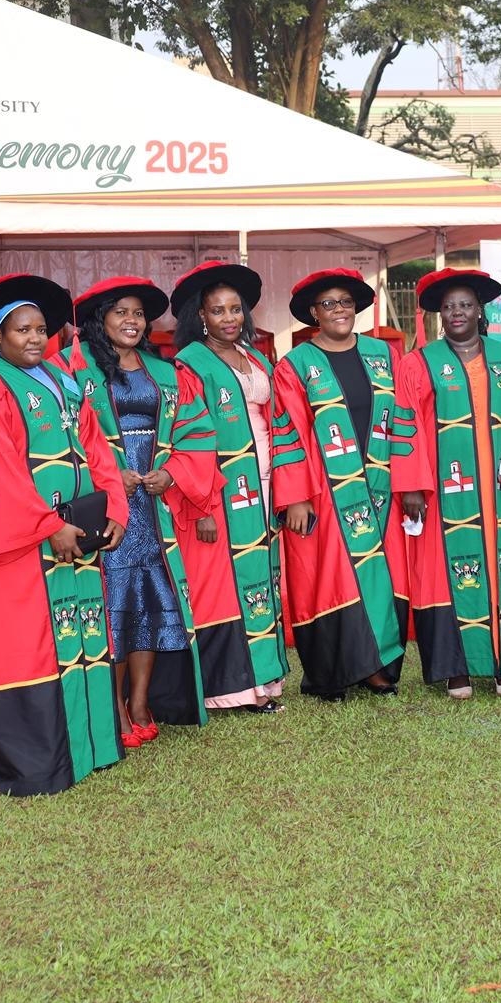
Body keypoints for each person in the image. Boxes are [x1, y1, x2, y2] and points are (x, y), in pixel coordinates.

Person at [0, 274, 128, 795]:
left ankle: (91, 748)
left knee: (79, 630)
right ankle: (37, 766)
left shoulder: (63, 380)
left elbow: (99, 449)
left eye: (42, 329)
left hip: (75, 533)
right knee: (27, 643)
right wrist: (47, 525)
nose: (36, 339)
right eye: (22, 330)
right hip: (18, 547)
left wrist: (115, 510)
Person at [393, 268, 501, 697]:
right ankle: (459, 668)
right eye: (448, 306)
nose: (457, 312)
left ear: (479, 310)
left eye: (465, 304)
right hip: (447, 493)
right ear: (438, 313)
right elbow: (406, 425)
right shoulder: (419, 363)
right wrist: (412, 485)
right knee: (448, 572)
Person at [64, 276, 207, 748]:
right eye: (120, 312)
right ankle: (114, 706)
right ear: (99, 319)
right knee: (116, 607)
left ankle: (141, 701)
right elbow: (62, 437)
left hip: (155, 503)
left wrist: (173, 471)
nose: (131, 320)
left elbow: (196, 430)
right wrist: (108, 474)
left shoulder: (163, 371)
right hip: (111, 507)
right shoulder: (74, 369)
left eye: (138, 313)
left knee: (150, 602)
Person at [166, 261, 313, 714]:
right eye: (217, 311)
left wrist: (290, 491)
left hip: (264, 484)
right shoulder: (189, 365)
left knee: (263, 582)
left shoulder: (255, 357)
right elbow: (189, 440)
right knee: (222, 585)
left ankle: (264, 682)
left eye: (235, 310)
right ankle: (228, 689)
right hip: (220, 491)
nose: (228, 318)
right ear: (200, 317)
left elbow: (282, 426)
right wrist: (204, 506)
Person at [272, 268, 406, 702]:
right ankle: (332, 673)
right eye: (328, 304)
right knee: (330, 578)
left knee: (380, 575)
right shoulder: (295, 365)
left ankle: (378, 667)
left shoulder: (382, 354)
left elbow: (405, 419)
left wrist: (411, 483)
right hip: (326, 490)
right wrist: (294, 496)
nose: (339, 310)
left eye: (346, 302)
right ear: (313, 313)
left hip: (381, 487)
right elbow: (287, 432)